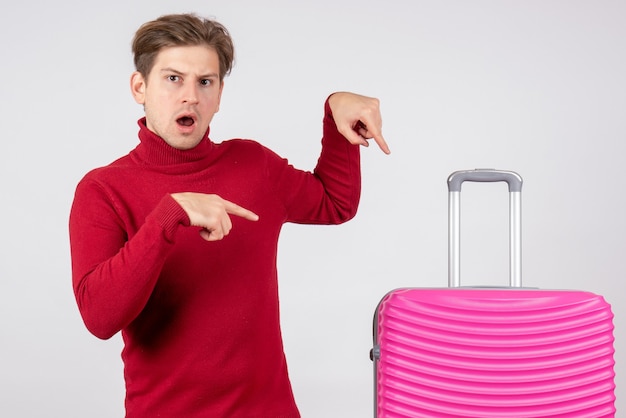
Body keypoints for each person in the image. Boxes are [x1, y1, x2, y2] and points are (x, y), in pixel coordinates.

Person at [69, 13, 389, 418]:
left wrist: (336, 112)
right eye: (173, 79)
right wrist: (168, 216)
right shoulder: (103, 190)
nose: (190, 96)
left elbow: (334, 203)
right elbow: (99, 318)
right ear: (139, 87)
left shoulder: (253, 165)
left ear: (219, 94)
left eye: (205, 82)